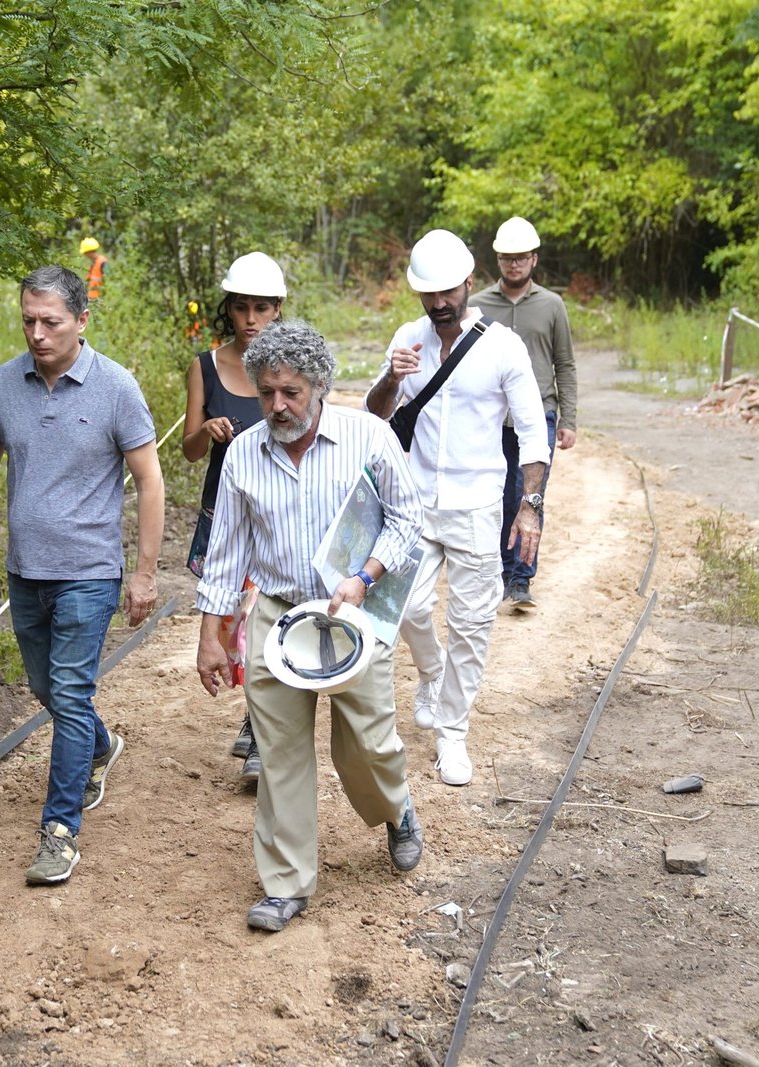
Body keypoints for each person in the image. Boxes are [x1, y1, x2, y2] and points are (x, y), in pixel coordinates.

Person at [195, 319, 426, 933]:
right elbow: (225, 554)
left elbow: (407, 519)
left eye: (291, 393)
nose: (278, 406)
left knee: (367, 747)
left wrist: (365, 576)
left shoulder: (369, 437)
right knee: (280, 755)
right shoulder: (245, 452)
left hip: (354, 610)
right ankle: (286, 884)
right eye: (267, 393)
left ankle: (396, 809)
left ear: (319, 387)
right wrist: (210, 636)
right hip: (278, 615)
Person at [0, 265, 164, 886]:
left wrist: (145, 573)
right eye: (28, 321)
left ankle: (60, 831)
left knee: (70, 693)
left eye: (51, 322)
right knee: (47, 690)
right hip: (26, 570)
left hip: (90, 572)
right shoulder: (4, 384)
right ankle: (99, 745)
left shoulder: (116, 388)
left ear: (81, 321)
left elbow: (151, 480)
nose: (38, 334)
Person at [364, 229, 549, 787]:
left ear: (469, 284)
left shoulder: (502, 347)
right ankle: (431, 674)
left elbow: (534, 432)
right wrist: (392, 377)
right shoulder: (406, 339)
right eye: (429, 294)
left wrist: (531, 506)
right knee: (405, 608)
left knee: (471, 624)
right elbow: (376, 416)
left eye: (449, 291)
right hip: (414, 503)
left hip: (478, 505)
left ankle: (453, 734)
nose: (440, 303)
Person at [182, 252, 287, 784]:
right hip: (223, 514)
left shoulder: (289, 372)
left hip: (276, 514)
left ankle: (259, 726)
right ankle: (254, 713)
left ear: (277, 310)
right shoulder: (206, 365)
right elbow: (189, 451)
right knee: (229, 624)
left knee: (262, 618)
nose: (251, 319)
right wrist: (208, 429)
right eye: (242, 308)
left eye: (262, 308)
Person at [468, 216, 577, 610]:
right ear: (498, 260)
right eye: (506, 258)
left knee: (529, 496)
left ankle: (520, 580)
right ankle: (496, 574)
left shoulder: (552, 306)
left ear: (533, 260)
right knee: (496, 497)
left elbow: (564, 363)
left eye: (521, 258)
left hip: (540, 416)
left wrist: (569, 419)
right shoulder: (478, 305)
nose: (514, 265)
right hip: (493, 418)